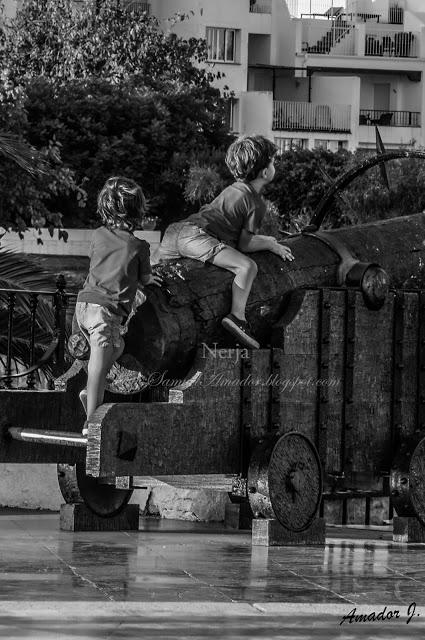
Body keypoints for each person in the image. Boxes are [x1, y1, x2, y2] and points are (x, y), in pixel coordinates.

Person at [159, 135, 294, 348]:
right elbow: (245, 245)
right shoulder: (255, 202)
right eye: (273, 162)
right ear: (265, 172)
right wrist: (270, 244)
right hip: (193, 236)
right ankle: (237, 317)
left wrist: (265, 239)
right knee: (247, 267)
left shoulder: (233, 189)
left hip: (173, 233)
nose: (274, 166)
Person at [76, 176, 161, 434]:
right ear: (138, 211)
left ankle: (89, 393)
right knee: (99, 367)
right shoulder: (139, 246)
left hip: (83, 306)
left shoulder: (98, 235)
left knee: (119, 346)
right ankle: (91, 423)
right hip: (106, 313)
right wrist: (151, 278)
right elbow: (145, 278)